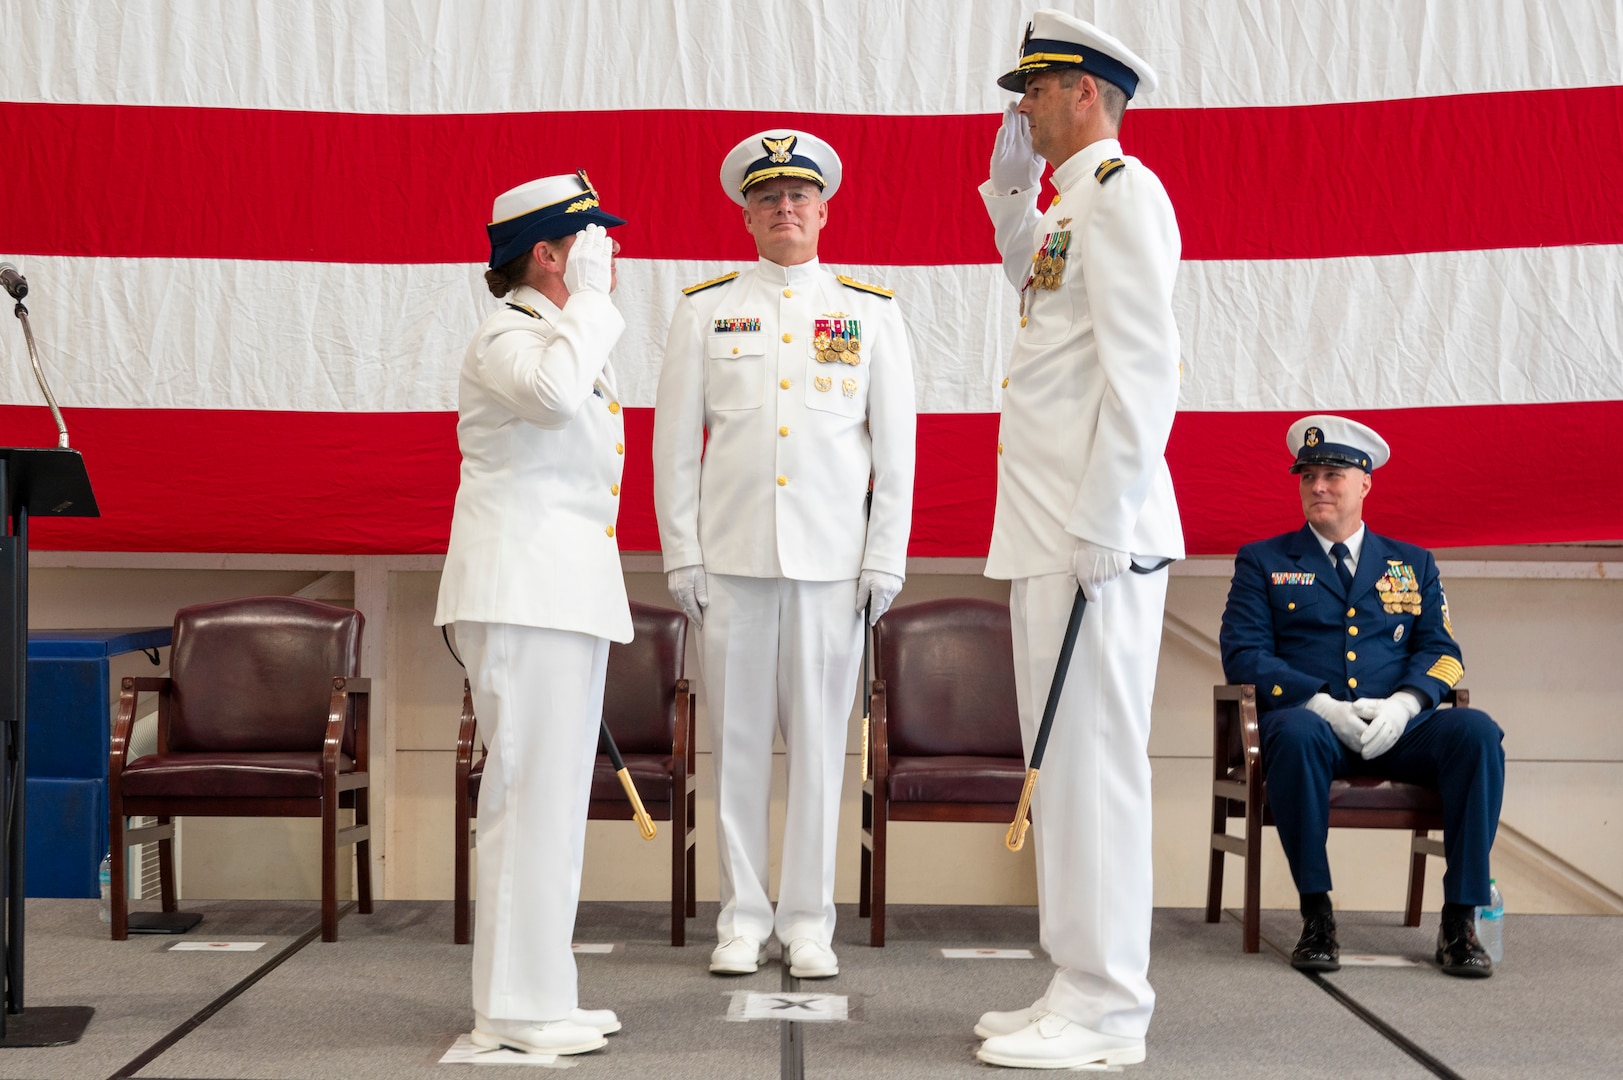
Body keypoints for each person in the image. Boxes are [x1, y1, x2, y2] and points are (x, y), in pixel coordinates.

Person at [652, 129, 916, 980]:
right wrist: (680, 554)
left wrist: (885, 558)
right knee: (732, 746)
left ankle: (807, 919)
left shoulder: (869, 311)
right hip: (730, 561)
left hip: (832, 565)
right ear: (746, 215)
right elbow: (672, 448)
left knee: (815, 750)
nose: (785, 208)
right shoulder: (704, 309)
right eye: (768, 198)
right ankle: (739, 917)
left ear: (825, 210)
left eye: (799, 196)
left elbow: (896, 448)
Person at [972, 10, 1183, 1071]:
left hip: (1095, 531)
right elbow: (1040, 295)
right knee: (1058, 762)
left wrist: (1108, 513)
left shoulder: (1125, 196)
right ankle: (1074, 977)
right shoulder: (1069, 208)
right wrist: (1012, 198)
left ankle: (1109, 1008)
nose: (1024, 107)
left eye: (1037, 90)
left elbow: (1147, 369)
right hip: (1052, 527)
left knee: (1097, 764)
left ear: (1086, 93)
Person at [434, 171, 632, 1056]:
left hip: (561, 593)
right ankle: (511, 1009)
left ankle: (543, 990)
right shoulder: (506, 335)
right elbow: (554, 398)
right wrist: (589, 303)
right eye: (592, 243)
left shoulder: (554, 332)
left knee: (553, 801)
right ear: (549, 253)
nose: (610, 256)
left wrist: (581, 312)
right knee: (524, 797)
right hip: (521, 594)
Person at [1219, 414, 1505, 978]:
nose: (1317, 487)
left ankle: (1459, 920)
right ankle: (1317, 915)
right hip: (1314, 728)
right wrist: (1320, 704)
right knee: (1296, 733)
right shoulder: (1264, 560)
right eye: (1307, 477)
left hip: (1396, 729)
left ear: (1365, 483)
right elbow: (1244, 654)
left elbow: (1444, 653)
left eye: (1332, 474)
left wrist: (1406, 705)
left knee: (1477, 733)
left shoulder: (1412, 563)